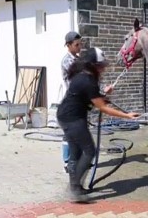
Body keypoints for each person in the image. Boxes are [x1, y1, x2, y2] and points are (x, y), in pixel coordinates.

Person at [56, 47, 140, 198]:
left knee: (76, 153)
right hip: (73, 119)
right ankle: (74, 189)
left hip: (66, 116)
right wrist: (127, 116)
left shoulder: (83, 76)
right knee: (90, 151)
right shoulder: (87, 80)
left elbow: (93, 98)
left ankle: (75, 188)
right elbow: (103, 107)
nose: (103, 68)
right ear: (93, 65)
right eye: (101, 65)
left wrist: (103, 95)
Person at [60, 31, 82, 172]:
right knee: (69, 134)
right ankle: (67, 162)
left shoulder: (77, 59)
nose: (80, 47)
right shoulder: (67, 60)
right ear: (68, 45)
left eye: (80, 44)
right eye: (77, 45)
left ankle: (77, 160)